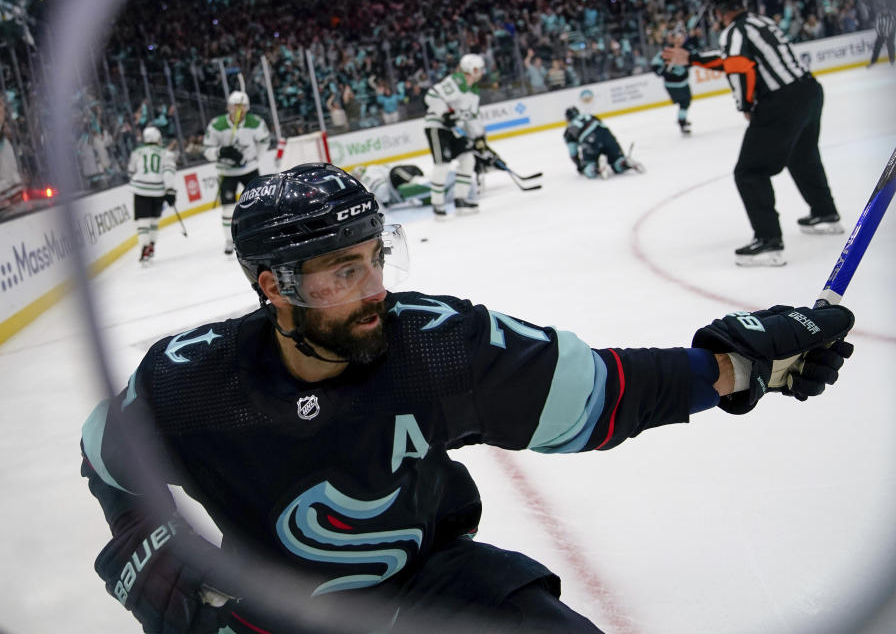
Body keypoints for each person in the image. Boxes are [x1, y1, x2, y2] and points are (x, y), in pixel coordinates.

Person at [80, 162, 855, 634]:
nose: (374, 289)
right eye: (341, 272)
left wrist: (739, 370)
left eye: (376, 258)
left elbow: (602, 393)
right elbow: (104, 451)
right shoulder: (191, 380)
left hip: (434, 589)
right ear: (272, 287)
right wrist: (144, 535)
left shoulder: (434, 344)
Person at [663, 0, 844, 267]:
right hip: (809, 91)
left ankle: (769, 242)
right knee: (803, 155)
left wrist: (746, 104)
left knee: (750, 172)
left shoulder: (733, 32)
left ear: (719, 11)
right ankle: (825, 213)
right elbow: (735, 58)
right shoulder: (759, 22)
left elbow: (740, 66)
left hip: (781, 101)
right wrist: (693, 58)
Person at [203, 90, 271, 255]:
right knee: (227, 209)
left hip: (250, 169)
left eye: (242, 107)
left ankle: (262, 235)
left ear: (247, 108)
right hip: (227, 172)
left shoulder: (255, 122)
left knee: (259, 204)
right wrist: (221, 152)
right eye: (235, 106)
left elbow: (265, 141)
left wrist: (255, 158)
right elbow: (207, 150)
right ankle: (229, 240)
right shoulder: (216, 125)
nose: (238, 110)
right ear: (228, 107)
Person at [423, 53, 488, 219]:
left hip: (453, 130)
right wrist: (444, 113)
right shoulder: (456, 81)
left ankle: (461, 199)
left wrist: (479, 137)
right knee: (442, 165)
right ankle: (437, 204)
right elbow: (431, 96)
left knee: (468, 159)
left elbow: (470, 118)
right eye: (478, 68)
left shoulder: (473, 92)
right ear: (471, 69)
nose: (481, 71)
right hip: (437, 126)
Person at [127, 126, 176, 263]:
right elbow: (168, 172)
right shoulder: (166, 153)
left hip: (140, 189)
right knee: (154, 220)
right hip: (158, 191)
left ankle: (144, 247)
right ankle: (152, 245)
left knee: (142, 222)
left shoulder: (137, 152)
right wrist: (170, 190)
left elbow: (131, 172)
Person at [563, 106, 644, 178]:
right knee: (617, 163)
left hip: (589, 139)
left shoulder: (568, 130)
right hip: (605, 133)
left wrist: (580, 166)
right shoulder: (590, 116)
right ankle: (625, 162)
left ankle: (597, 168)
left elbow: (573, 152)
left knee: (589, 167)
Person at [651, 28, 697, 134]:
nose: (680, 39)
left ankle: (682, 120)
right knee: (683, 102)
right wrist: (663, 71)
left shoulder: (685, 48)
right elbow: (655, 65)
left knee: (686, 101)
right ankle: (682, 122)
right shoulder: (666, 52)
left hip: (683, 82)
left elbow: (694, 58)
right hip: (673, 84)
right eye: (678, 37)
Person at [351, 163, 431, 209]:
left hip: (396, 178)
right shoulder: (373, 169)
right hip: (401, 175)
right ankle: (427, 183)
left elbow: (380, 186)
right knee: (414, 178)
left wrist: (385, 201)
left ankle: (423, 182)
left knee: (404, 175)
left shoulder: (367, 174)